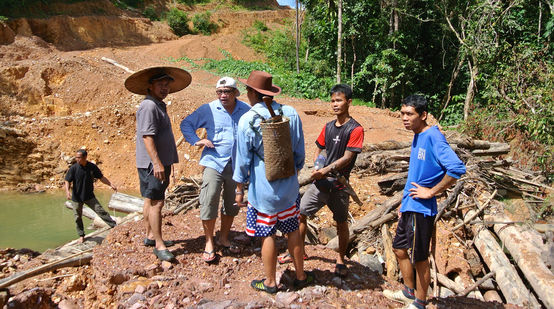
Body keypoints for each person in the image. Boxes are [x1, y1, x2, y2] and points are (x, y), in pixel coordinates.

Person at [383, 95, 466, 309]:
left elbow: (457, 168)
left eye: (409, 114)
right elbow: (415, 174)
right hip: (411, 205)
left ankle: (420, 303)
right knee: (400, 249)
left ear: (423, 115)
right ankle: (409, 292)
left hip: (422, 209)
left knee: (419, 256)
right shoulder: (418, 135)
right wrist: (404, 201)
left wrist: (431, 192)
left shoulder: (433, 137)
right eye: (402, 113)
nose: (404, 118)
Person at [233, 70, 313, 293]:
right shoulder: (291, 113)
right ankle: (300, 275)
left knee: (266, 233)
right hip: (288, 188)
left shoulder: (247, 119)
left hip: (263, 191)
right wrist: (292, 172)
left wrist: (239, 188)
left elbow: (242, 159)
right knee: (293, 230)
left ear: (251, 92)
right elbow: (299, 152)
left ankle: (269, 282)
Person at [279, 84, 364, 278]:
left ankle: (341, 260)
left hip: (340, 185)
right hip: (320, 184)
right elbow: (319, 148)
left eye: (339, 100)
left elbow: (347, 158)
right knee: (301, 213)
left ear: (349, 102)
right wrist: (317, 165)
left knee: (341, 223)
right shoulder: (328, 127)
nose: (335, 104)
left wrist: (325, 170)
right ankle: (298, 252)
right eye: (333, 101)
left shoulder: (356, 129)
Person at [124, 66, 192, 262]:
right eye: (161, 85)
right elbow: (147, 136)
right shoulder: (149, 106)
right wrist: (158, 163)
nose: (165, 88)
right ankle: (159, 245)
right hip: (153, 164)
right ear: (150, 86)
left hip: (155, 163)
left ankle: (150, 236)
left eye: (167, 85)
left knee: (149, 199)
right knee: (157, 202)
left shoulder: (157, 104)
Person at [180, 77, 250, 263]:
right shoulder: (209, 109)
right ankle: (209, 242)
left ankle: (224, 238)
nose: (223, 95)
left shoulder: (246, 110)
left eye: (227, 91)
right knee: (209, 198)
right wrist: (197, 140)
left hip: (236, 165)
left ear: (236, 93)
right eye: (220, 92)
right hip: (214, 161)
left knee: (231, 203)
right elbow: (186, 124)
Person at [64, 149, 117, 243]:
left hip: (89, 196)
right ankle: (81, 235)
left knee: (100, 211)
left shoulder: (92, 167)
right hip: (76, 197)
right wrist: (67, 191)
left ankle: (114, 227)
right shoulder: (74, 168)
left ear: (85, 157)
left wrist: (110, 184)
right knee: (77, 217)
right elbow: (67, 180)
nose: (77, 159)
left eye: (79, 157)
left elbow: (101, 177)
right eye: (76, 157)